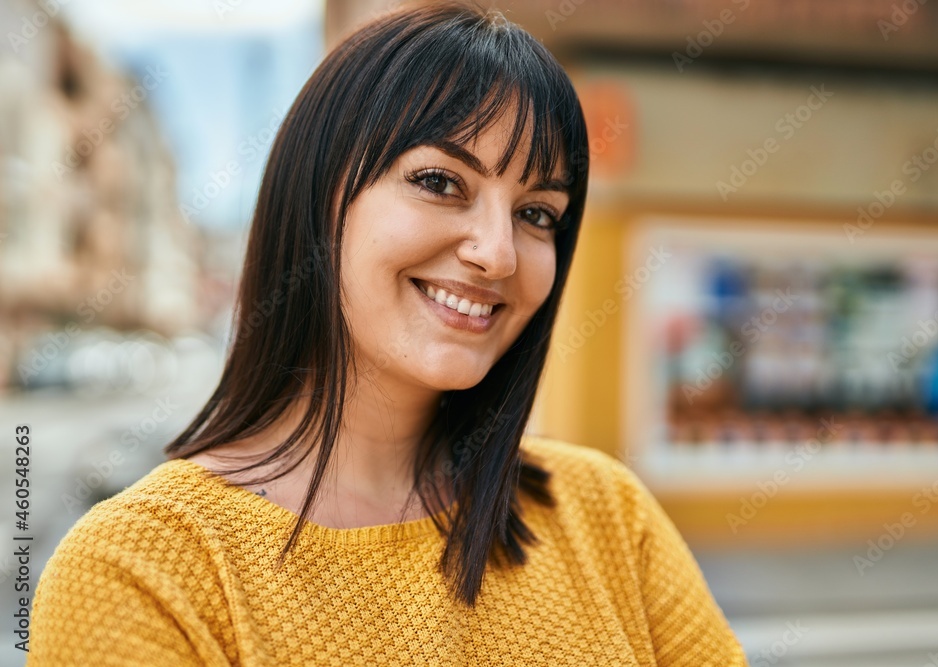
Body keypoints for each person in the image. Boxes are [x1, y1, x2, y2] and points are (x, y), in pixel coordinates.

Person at [28, 4, 749, 665]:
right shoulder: (140, 570)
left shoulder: (608, 516)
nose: (498, 252)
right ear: (320, 199)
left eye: (537, 214)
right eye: (440, 182)